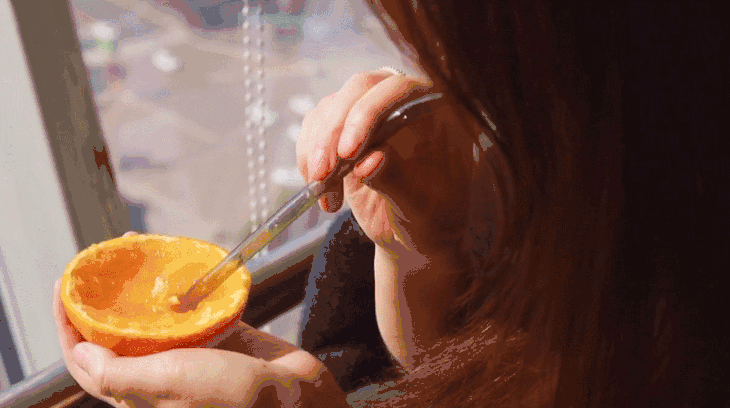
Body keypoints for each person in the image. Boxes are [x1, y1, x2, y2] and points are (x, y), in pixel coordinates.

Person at [55, 1, 730, 407]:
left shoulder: (678, 301)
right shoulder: (607, 207)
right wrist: (425, 253)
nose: (427, 68)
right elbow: (488, 380)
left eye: (465, 55)